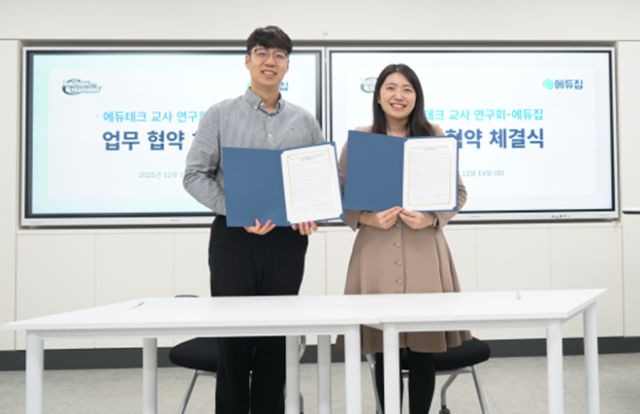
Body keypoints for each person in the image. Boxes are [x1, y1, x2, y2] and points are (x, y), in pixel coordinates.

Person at [183, 26, 324, 414]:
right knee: (234, 340)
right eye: (262, 53)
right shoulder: (220, 114)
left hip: (286, 241)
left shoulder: (304, 121)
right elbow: (194, 175)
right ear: (247, 60)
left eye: (279, 55)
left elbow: (317, 182)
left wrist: (312, 213)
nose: (270, 61)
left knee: (276, 340)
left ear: (287, 66)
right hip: (234, 239)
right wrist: (236, 210)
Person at [338, 64, 471, 413]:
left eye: (407, 89)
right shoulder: (361, 138)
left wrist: (431, 217)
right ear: (378, 96)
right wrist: (366, 217)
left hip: (424, 249)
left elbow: (458, 193)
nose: (399, 95)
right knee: (385, 348)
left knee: (424, 348)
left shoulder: (433, 136)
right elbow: (338, 196)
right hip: (376, 251)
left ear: (416, 97)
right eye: (391, 87)